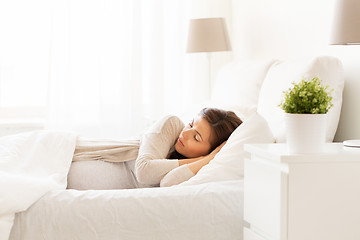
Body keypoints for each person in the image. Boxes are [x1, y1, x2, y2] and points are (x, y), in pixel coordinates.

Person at [67, 107, 242, 189]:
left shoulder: (199, 170)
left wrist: (209, 161)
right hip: (73, 162)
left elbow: (168, 184)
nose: (186, 133)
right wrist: (207, 158)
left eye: (196, 137)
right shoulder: (171, 124)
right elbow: (144, 171)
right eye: (190, 124)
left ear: (209, 149)